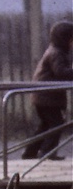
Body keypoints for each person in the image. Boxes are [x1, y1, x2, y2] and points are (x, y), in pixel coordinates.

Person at [21, 21, 73, 160]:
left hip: (43, 95)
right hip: (47, 96)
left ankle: (30, 152)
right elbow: (61, 72)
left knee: (45, 125)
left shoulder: (55, 51)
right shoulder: (57, 53)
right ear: (64, 39)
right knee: (56, 124)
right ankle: (48, 153)